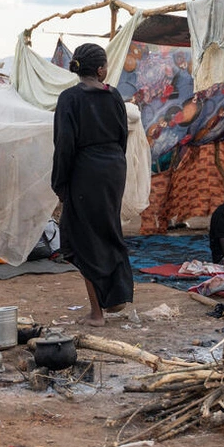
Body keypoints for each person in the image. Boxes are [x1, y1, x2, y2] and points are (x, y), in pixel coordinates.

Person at [51, 43, 133, 326]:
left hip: (85, 171)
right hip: (113, 169)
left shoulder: (69, 98)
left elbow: (64, 144)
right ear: (100, 70)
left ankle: (97, 312)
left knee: (83, 239)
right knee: (109, 230)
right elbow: (123, 137)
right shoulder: (115, 96)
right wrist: (112, 164)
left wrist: (60, 184)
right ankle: (117, 297)